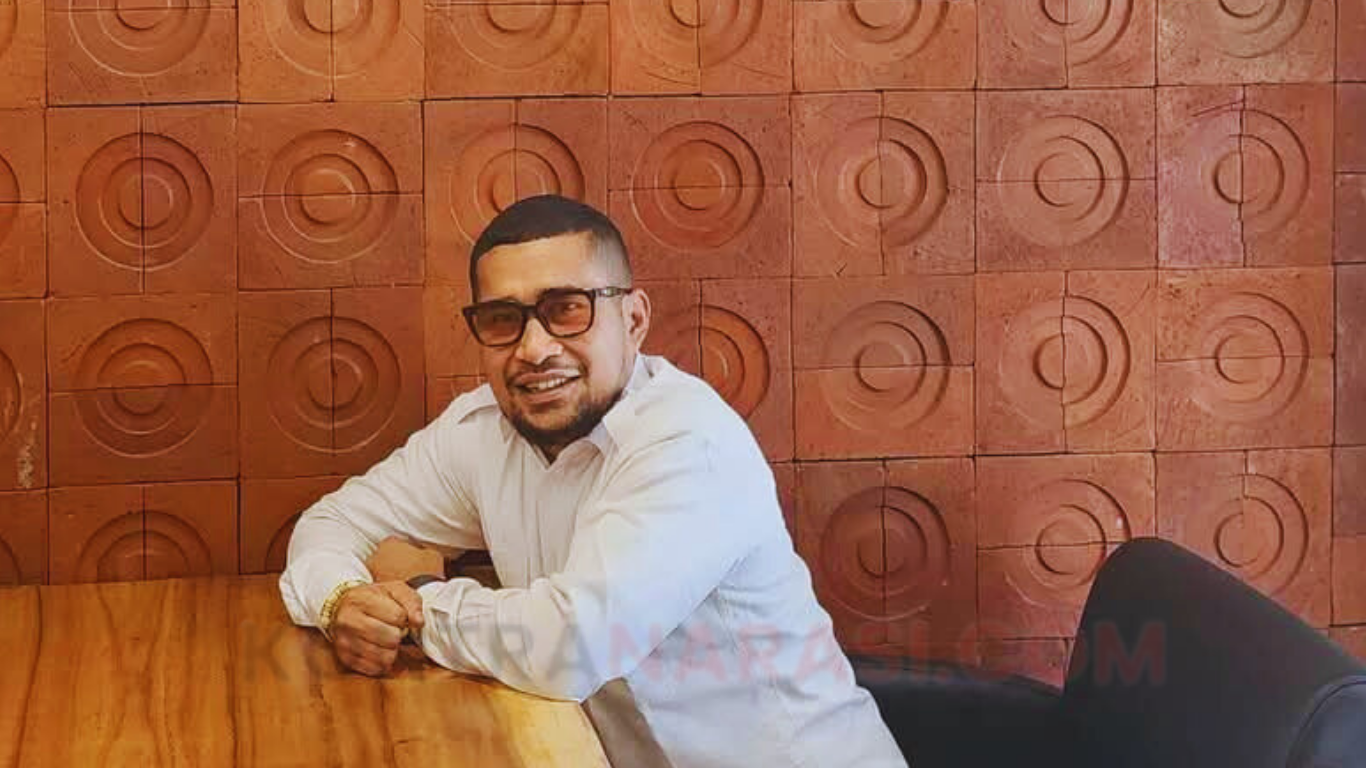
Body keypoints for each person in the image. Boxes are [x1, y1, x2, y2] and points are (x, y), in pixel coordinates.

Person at [279, 195, 908, 767]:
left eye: (566, 310)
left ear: (633, 320)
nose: (533, 348)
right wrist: (342, 601)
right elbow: (334, 524)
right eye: (503, 319)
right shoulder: (481, 431)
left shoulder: (688, 441)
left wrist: (417, 599)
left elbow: (574, 645)